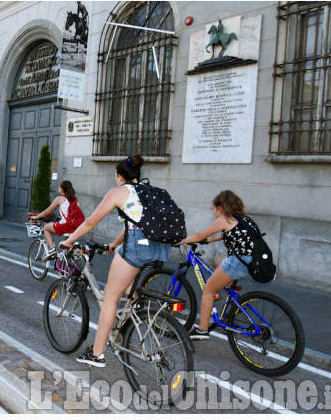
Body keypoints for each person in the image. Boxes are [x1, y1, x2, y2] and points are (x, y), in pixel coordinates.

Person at [60, 154, 172, 368]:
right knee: (129, 294)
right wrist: (114, 243)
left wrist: (69, 240)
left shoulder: (119, 192)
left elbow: (91, 221)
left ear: (120, 176)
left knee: (110, 298)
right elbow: (133, 224)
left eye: (115, 175)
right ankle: (133, 326)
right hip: (159, 247)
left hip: (137, 248)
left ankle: (97, 354)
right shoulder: (148, 191)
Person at [174, 190, 258, 340]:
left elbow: (200, 235)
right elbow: (231, 234)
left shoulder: (224, 219)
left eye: (213, 209)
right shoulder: (242, 219)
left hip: (238, 262)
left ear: (221, 208)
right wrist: (212, 240)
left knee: (208, 290)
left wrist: (181, 241)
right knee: (218, 262)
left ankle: (202, 330)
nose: (213, 212)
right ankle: (233, 301)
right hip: (251, 260)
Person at [31, 180, 82, 261]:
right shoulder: (75, 199)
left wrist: (36, 217)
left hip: (65, 225)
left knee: (46, 227)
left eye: (59, 187)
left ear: (61, 189)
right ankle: (66, 265)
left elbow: (47, 211)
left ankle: (52, 250)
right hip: (75, 227)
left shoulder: (59, 199)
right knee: (65, 247)